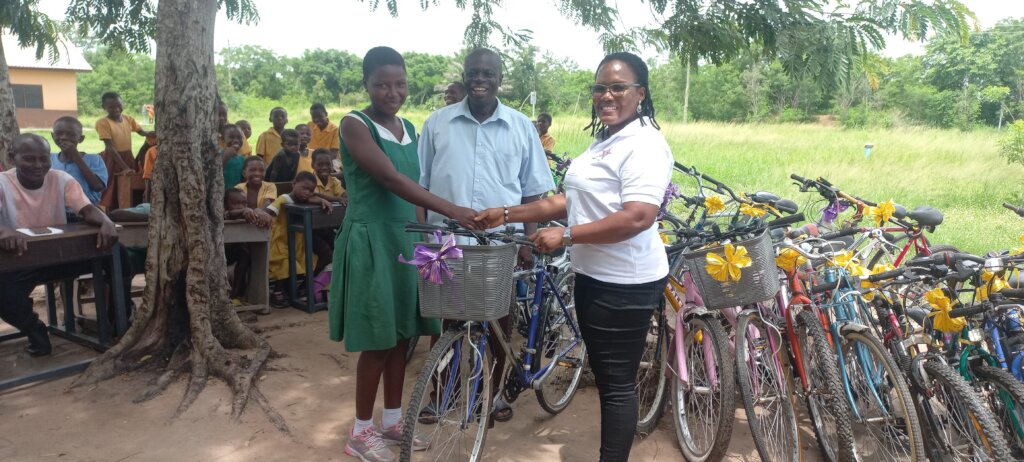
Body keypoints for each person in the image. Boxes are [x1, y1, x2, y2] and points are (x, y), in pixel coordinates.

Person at [475, 52, 672, 462]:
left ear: (640, 93)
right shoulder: (608, 139)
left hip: (626, 283)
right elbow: (570, 200)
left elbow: (638, 216)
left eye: (618, 87)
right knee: (607, 377)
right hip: (594, 276)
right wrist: (508, 213)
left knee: (616, 386)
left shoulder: (645, 144)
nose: (606, 95)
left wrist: (567, 236)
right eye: (600, 87)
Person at [330, 46, 478, 462]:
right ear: (367, 85)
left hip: (408, 241)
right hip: (372, 241)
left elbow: (413, 189)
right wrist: (454, 211)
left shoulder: (409, 126)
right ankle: (361, 431)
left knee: (403, 336)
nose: (392, 92)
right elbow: (391, 178)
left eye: (399, 84)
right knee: (378, 339)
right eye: (381, 84)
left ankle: (394, 422)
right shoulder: (353, 125)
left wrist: (430, 239)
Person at [418, 47, 555, 423]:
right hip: (446, 246)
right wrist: (424, 241)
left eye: (488, 73)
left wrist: (529, 239)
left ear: (500, 78)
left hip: (502, 245)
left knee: (499, 325)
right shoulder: (437, 123)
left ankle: (490, 397)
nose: (480, 79)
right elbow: (422, 187)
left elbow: (533, 190)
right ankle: (444, 395)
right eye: (473, 72)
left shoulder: (521, 127)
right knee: (446, 324)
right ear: (464, 75)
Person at [0, 134, 120, 356]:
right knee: (4, 293)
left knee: (116, 255)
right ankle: (35, 329)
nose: (38, 165)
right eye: (29, 159)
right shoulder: (2, 183)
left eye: (44, 159)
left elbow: (86, 208)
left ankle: (117, 324)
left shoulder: (60, 178)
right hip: (19, 259)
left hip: (58, 256)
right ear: (11, 157)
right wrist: (3, 230)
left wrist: (106, 221)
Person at [264, 171, 332, 307]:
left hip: (297, 242)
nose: (307, 193)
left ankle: (297, 288)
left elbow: (311, 198)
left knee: (307, 262)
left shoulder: (302, 199)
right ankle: (277, 292)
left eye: (311, 190)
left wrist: (321, 200)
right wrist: (260, 213)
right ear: (294, 184)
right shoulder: (284, 198)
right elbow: (270, 211)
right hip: (281, 241)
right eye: (304, 188)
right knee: (285, 266)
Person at [96, 91, 153, 208]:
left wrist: (151, 133)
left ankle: (127, 209)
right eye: (111, 107)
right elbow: (110, 147)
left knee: (129, 184)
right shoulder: (103, 123)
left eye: (118, 106)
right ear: (104, 108)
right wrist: (124, 167)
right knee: (111, 185)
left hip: (128, 157)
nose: (116, 109)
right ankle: (109, 211)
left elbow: (142, 132)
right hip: (112, 158)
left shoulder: (128, 119)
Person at [224, 188, 270, 308]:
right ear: (225, 204)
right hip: (219, 256)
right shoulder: (222, 215)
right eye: (235, 203)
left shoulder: (248, 215)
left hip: (236, 256)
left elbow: (256, 213)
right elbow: (228, 214)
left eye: (244, 203)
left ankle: (236, 296)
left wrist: (259, 212)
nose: (240, 207)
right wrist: (244, 211)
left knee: (244, 252)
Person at [50, 116, 109, 205]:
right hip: (56, 211)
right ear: (52, 136)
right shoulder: (48, 159)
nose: (64, 137)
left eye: (71, 134)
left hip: (85, 212)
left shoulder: (94, 159)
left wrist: (76, 157)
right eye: (59, 133)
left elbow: (98, 186)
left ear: (81, 139)